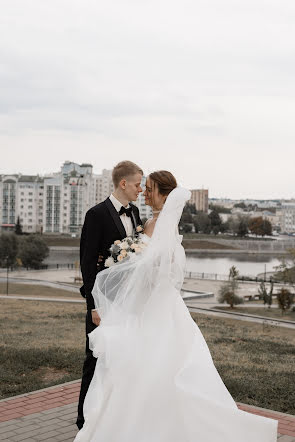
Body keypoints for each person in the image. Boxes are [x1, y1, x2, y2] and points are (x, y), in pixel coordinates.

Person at [75, 171, 278, 441]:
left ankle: (147, 421)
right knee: (151, 363)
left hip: (152, 304)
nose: (145, 193)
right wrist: (124, 259)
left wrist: (123, 262)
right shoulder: (151, 221)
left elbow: (156, 270)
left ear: (162, 193)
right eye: (142, 187)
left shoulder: (157, 225)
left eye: (149, 188)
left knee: (150, 362)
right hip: (153, 303)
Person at [76, 160, 143, 430]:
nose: (141, 189)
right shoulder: (96, 214)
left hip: (128, 300)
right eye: (138, 184)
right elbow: (87, 262)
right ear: (123, 183)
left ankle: (112, 415)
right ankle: (84, 420)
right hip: (103, 302)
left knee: (121, 358)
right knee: (94, 359)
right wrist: (94, 306)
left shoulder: (136, 212)